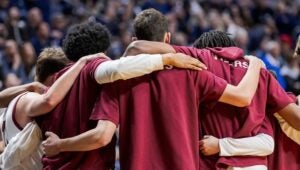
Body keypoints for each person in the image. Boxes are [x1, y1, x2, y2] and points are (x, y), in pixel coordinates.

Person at [42, 9, 263, 170]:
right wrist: (254, 63)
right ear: (167, 38)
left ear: (134, 38)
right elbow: (241, 97)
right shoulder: (192, 70)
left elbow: (102, 136)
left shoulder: (118, 81)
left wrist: (60, 145)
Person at [34, 21, 206, 169]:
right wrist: (167, 59)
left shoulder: (53, 83)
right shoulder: (93, 68)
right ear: (102, 52)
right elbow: (101, 136)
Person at [124, 24, 300, 169]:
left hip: (210, 162)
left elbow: (137, 47)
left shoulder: (200, 58)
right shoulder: (261, 73)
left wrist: (170, 59)